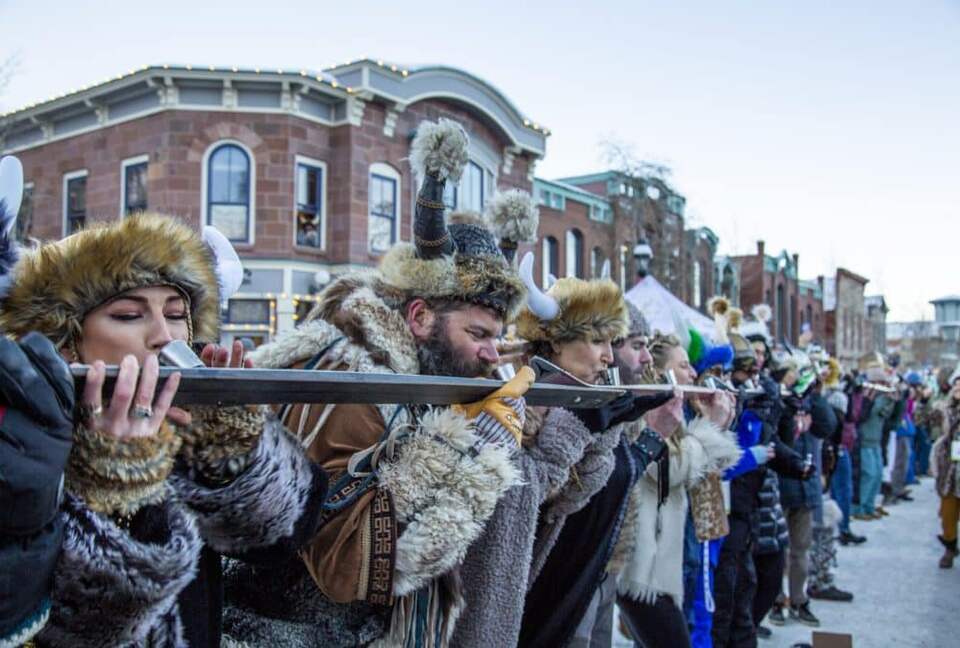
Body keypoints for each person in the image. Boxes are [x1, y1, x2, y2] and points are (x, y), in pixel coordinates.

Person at [225, 119, 529, 647]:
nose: (489, 350)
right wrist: (477, 450)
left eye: (495, 336)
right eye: (478, 333)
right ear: (419, 317)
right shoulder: (352, 382)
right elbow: (351, 568)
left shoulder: (422, 377)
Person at [0, 214, 329, 647]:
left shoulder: (177, 424)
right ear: (66, 339)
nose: (162, 335)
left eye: (176, 314)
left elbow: (276, 543)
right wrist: (114, 485)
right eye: (128, 314)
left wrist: (230, 453)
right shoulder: (24, 439)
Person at [488, 260, 671, 648]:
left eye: (613, 342)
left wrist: (605, 431)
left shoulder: (591, 396)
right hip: (529, 597)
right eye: (598, 341)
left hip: (580, 583)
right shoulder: (515, 405)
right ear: (556, 341)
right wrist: (581, 427)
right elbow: (523, 504)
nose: (609, 356)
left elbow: (582, 492)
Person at [612, 332, 740, 648]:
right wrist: (712, 426)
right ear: (661, 371)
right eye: (684, 366)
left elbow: (707, 470)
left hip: (663, 554)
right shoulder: (647, 407)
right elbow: (669, 471)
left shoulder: (673, 407)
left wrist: (712, 424)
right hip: (643, 564)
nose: (693, 374)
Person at [851, 359, 896, 521]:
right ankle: (860, 508)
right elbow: (867, 413)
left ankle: (870, 506)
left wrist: (892, 401)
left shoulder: (882, 394)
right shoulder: (866, 393)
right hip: (865, 441)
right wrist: (883, 399)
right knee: (868, 474)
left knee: (877, 474)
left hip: (876, 440)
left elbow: (886, 415)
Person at [931, 367, 960, 568]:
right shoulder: (945, 408)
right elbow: (925, 420)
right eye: (957, 383)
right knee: (948, 513)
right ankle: (950, 547)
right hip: (950, 469)